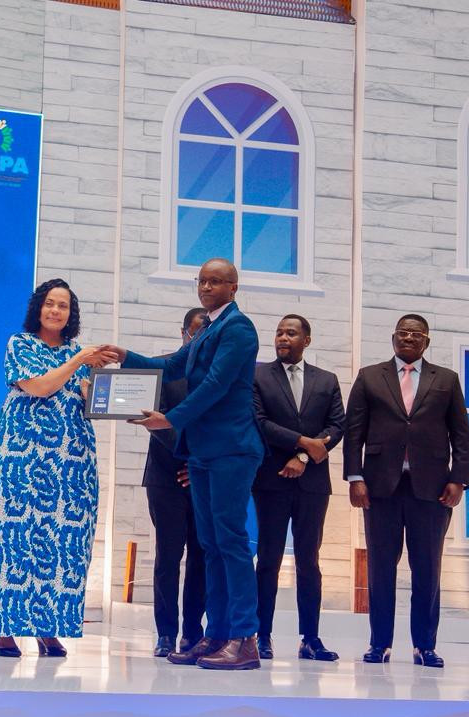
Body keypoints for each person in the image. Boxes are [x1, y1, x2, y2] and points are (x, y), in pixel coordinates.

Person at [107, 258, 264, 671]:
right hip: (203, 452)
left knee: (231, 542)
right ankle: (217, 633)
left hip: (232, 449)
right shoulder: (208, 327)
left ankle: (245, 639)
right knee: (210, 545)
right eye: (202, 280)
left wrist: (171, 419)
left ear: (233, 287)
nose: (206, 287)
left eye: (216, 281)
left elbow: (216, 385)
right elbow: (172, 366)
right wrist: (126, 355)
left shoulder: (238, 328)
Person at [0, 278, 115, 658]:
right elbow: (40, 387)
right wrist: (77, 362)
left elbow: (90, 402)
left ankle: (48, 627)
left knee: (63, 544)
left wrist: (101, 391)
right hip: (21, 456)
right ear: (38, 307)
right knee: (12, 538)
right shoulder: (21, 344)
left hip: (70, 461)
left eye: (64, 306)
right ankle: (4, 627)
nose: (56, 310)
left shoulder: (79, 354)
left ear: (71, 314)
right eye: (50, 303)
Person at [343, 314, 469, 668]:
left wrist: (458, 479)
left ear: (427, 341)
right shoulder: (370, 376)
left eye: (416, 334)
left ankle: (425, 646)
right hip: (379, 488)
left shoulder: (446, 379)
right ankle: (379, 644)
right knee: (380, 568)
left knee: (427, 569)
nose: (409, 338)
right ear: (393, 338)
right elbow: (354, 433)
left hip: (432, 490)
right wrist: (354, 477)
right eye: (403, 332)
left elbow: (461, 434)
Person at [252, 314, 344, 662]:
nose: (282, 338)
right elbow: (259, 422)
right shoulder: (259, 376)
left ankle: (310, 639)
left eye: (290, 333)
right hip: (271, 480)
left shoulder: (326, 380)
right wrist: (303, 441)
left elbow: (337, 425)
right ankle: (262, 635)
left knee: (309, 561)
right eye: (279, 332)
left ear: (307, 340)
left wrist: (303, 456)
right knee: (268, 560)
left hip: (312, 484)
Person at [145, 307, 207, 658]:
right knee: (168, 557)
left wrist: (200, 465)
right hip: (166, 478)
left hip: (204, 479)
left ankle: (193, 633)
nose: (200, 339)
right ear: (183, 333)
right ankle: (166, 634)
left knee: (201, 556)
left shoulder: (219, 374)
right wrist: (190, 458)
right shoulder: (161, 367)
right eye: (195, 332)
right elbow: (155, 422)